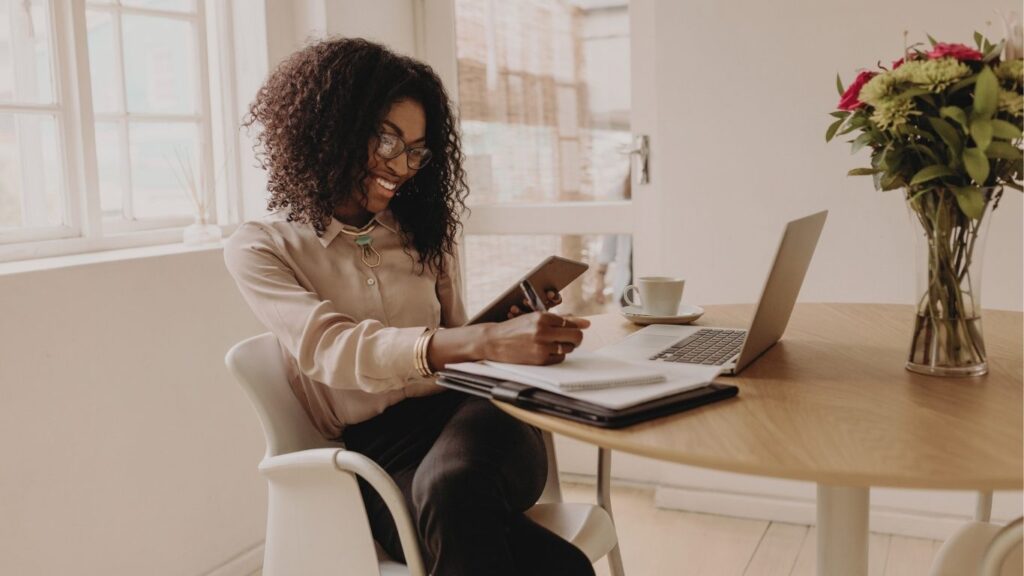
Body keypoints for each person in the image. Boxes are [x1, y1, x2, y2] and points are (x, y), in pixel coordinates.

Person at [224, 38, 596, 576]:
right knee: (536, 556)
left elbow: (456, 338)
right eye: (387, 140)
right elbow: (333, 349)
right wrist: (482, 341)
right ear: (330, 128)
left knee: (452, 487)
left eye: (417, 150)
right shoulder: (262, 247)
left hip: (478, 417)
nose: (402, 166)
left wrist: (499, 331)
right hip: (377, 458)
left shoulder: (424, 234)